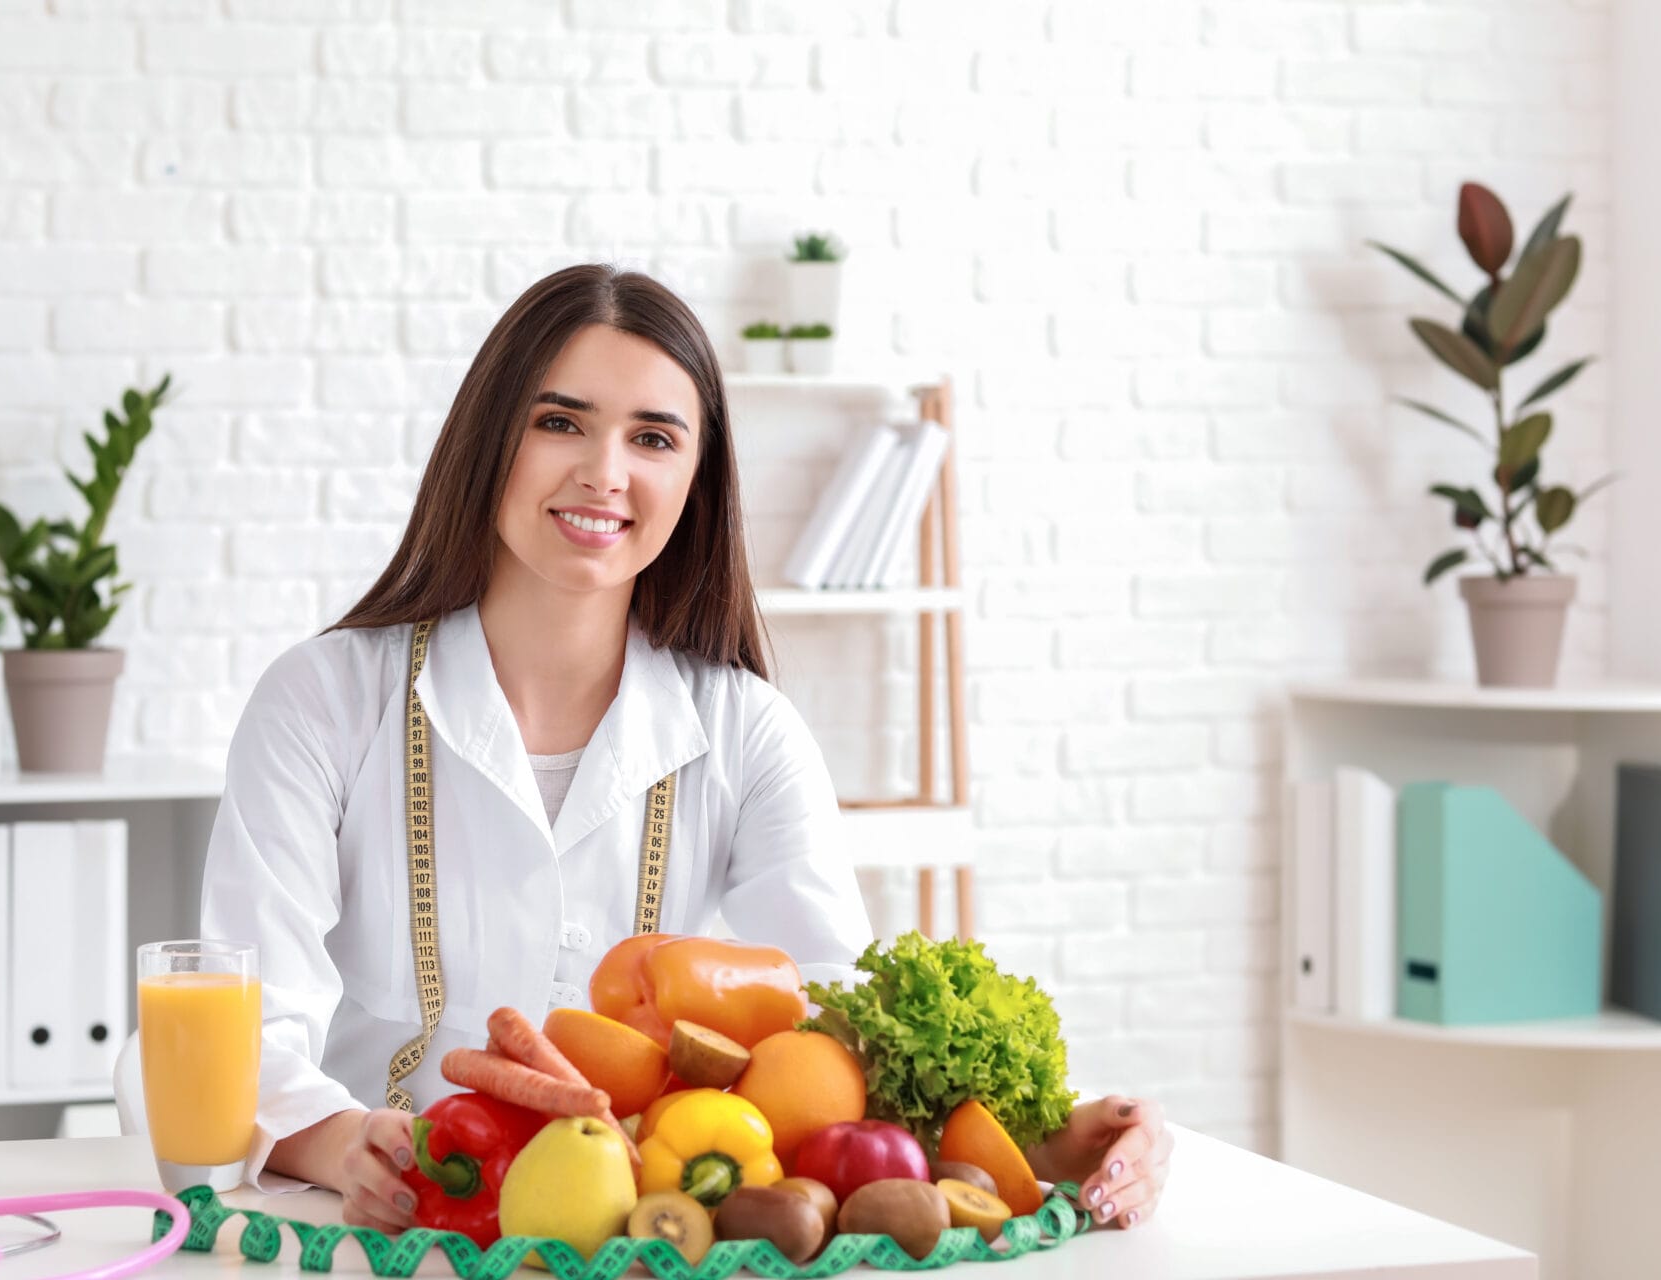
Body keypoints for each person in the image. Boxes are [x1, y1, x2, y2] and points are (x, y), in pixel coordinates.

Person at [190, 264, 1174, 1232]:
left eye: (653, 437)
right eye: (559, 420)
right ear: (490, 439)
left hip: (654, 1234)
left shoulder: (748, 731)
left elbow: (841, 1041)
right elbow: (240, 1024)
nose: (603, 471)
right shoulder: (323, 700)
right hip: (387, 1229)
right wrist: (345, 1143)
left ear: (696, 480)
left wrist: (1055, 1133)